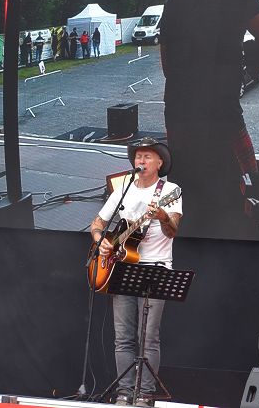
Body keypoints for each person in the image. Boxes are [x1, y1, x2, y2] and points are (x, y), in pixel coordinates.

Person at [158, 0, 259, 238]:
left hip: (179, 118)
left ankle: (189, 268)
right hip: (220, 118)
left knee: (190, 200)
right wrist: (241, 59)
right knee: (230, 205)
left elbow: (167, 64)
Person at [90, 138, 181, 407]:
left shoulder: (171, 190)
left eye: (147, 157)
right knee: (123, 337)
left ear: (159, 163)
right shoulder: (123, 190)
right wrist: (101, 241)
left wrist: (163, 216)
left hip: (155, 267)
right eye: (138, 156)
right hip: (121, 268)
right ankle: (124, 393)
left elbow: (173, 229)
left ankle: (145, 394)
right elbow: (98, 223)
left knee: (148, 337)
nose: (141, 161)